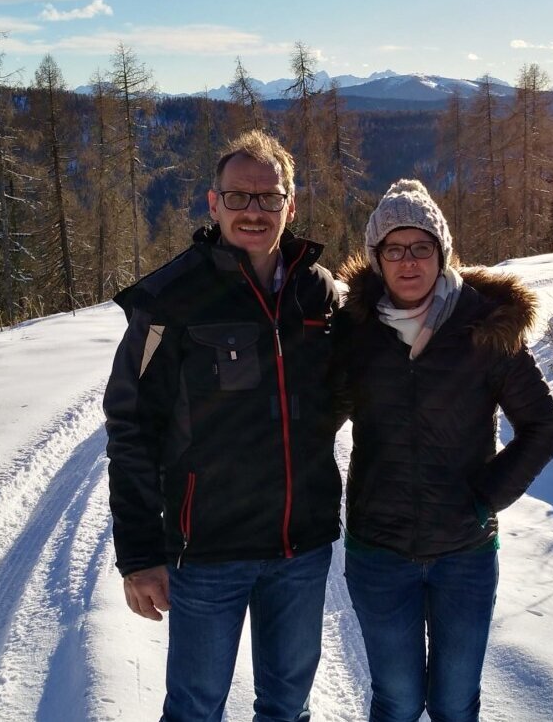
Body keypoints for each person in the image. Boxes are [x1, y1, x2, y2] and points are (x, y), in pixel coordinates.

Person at [103, 130, 342, 722]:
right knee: (195, 709)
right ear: (214, 203)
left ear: (290, 205)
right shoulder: (171, 300)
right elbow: (131, 427)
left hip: (300, 547)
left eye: (269, 197)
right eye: (238, 197)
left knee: (288, 707)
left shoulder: (319, 293)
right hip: (209, 552)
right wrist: (139, 555)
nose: (253, 211)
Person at [334, 180, 553, 722]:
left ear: (442, 253)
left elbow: (543, 424)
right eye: (394, 248)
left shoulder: (484, 328)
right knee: (396, 702)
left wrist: (486, 497)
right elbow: (315, 419)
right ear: (376, 258)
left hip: (464, 556)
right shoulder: (354, 332)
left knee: (454, 704)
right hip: (379, 553)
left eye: (422, 247)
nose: (408, 261)